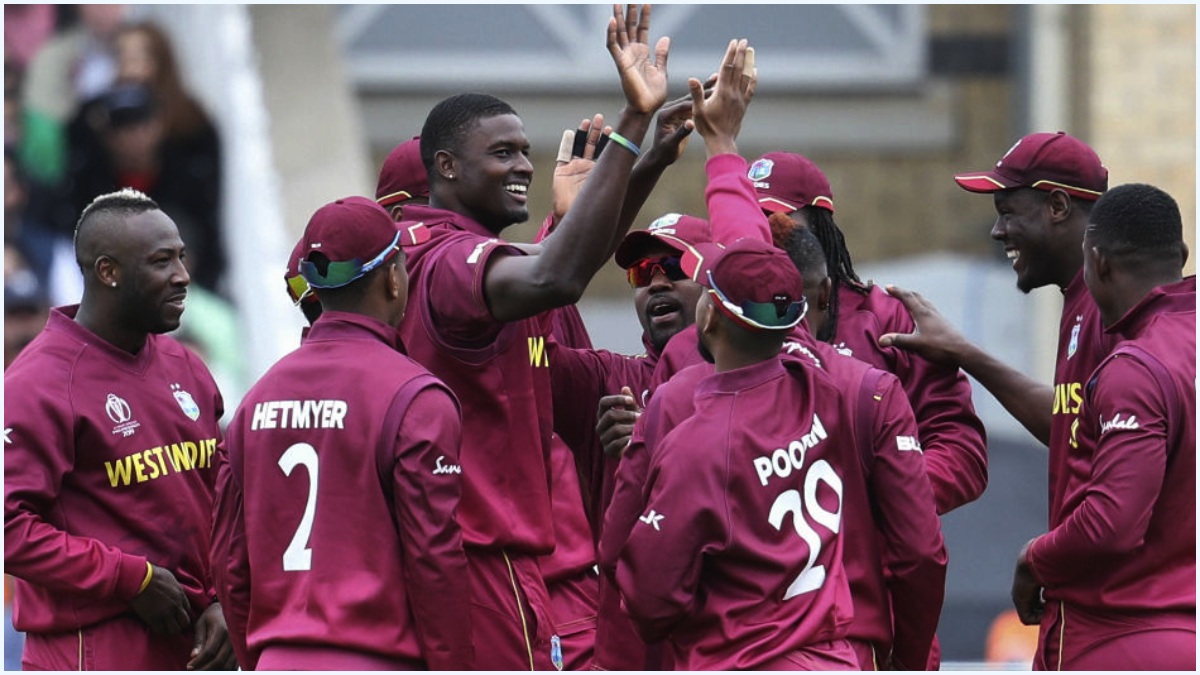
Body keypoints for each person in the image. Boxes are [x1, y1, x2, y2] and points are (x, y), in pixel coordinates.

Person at [393, 6, 668, 669]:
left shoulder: (462, 258)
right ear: (445, 166)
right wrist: (633, 125)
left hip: (489, 555)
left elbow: (558, 267)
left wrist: (650, 159)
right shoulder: (447, 261)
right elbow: (558, 276)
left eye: (523, 150)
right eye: (502, 153)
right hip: (479, 555)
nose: (523, 165)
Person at [211, 197, 473, 670]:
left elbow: (230, 562)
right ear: (393, 278)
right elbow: (434, 561)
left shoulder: (255, 401)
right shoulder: (416, 397)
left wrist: (259, 660)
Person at [3, 188, 235, 670]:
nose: (182, 275)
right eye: (161, 261)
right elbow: (10, 528)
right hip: (93, 650)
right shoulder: (38, 383)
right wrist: (129, 579)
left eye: (181, 257)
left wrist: (224, 597)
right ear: (108, 272)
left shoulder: (186, 365)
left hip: (197, 644)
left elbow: (223, 500)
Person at [614, 237, 859, 670]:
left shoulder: (698, 446)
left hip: (742, 660)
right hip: (834, 658)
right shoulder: (822, 390)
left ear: (709, 315)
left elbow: (649, 600)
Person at [1011, 183, 1195, 670]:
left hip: (1120, 637)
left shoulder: (1135, 366)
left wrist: (1034, 557)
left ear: (1097, 262)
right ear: (1180, 256)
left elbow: (1112, 525)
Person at [750, 150, 988, 517]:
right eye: (748, 218)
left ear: (818, 227)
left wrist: (877, 502)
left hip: (866, 545)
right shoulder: (714, 322)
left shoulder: (885, 318)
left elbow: (960, 449)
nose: (760, 233)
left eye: (775, 218)